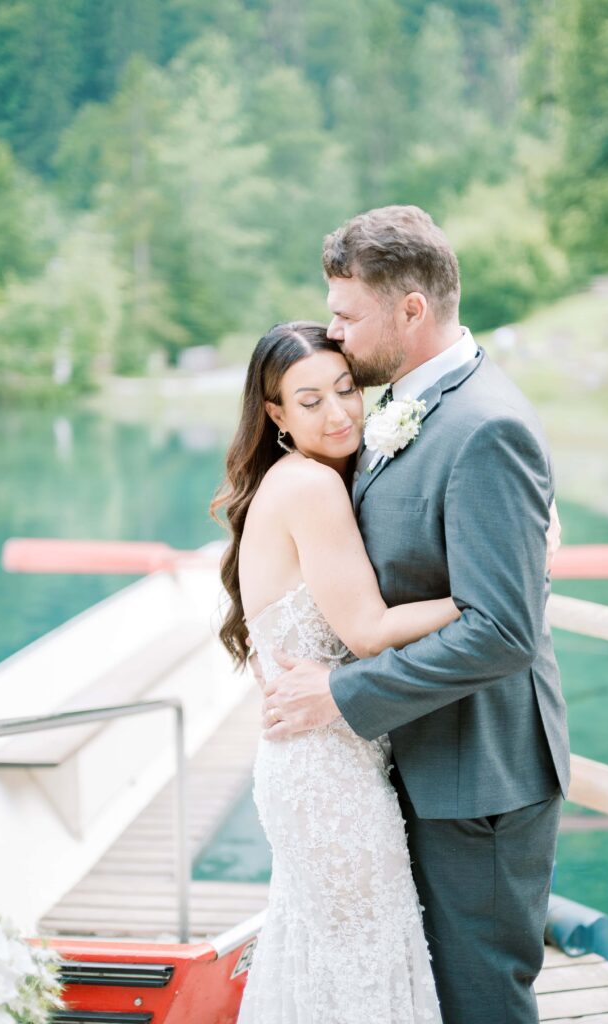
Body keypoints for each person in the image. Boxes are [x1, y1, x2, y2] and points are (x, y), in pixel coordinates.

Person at [259, 205, 571, 1024]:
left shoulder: (485, 425)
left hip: (481, 779)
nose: (333, 328)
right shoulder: (395, 407)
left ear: (410, 311)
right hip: (416, 764)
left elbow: (501, 628)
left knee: (479, 1003)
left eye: (346, 313)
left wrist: (343, 695)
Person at [211, 321, 461, 1023]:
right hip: (327, 779)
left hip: (323, 760)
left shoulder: (308, 480)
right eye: (311, 400)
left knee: (329, 967)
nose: (340, 413)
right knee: (363, 968)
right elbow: (368, 630)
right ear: (276, 415)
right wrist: (488, 589)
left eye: (347, 389)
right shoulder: (309, 488)